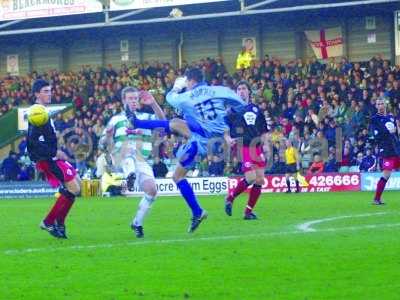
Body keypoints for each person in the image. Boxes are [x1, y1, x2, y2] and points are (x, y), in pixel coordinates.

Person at [129, 67, 245, 232]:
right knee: (177, 129)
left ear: (190, 81)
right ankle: (197, 212)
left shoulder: (188, 95)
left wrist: (176, 87)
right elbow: (242, 106)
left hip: (203, 141)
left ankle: (137, 123)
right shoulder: (220, 90)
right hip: (214, 138)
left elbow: (170, 98)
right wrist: (227, 119)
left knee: (177, 168)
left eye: (187, 82)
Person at [99, 87, 165, 238]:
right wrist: (108, 137)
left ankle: (137, 223)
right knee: (128, 150)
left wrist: (153, 103)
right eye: (130, 99)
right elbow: (103, 144)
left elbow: (163, 122)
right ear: (123, 100)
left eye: (136, 98)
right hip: (121, 158)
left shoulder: (145, 118)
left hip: (141, 160)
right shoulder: (116, 120)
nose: (134, 101)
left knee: (152, 191)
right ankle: (130, 177)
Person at [27, 79, 81, 239]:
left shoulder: (43, 111)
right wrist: (55, 152)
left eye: (50, 90)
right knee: (74, 189)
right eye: (45, 91)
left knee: (76, 184)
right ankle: (50, 221)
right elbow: (33, 142)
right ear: (37, 94)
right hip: (47, 159)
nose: (49, 93)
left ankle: (58, 223)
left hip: (52, 155)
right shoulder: (36, 113)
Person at [224, 80, 268, 220]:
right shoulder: (232, 110)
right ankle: (230, 197)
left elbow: (263, 130)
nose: (241, 91)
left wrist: (265, 144)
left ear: (249, 91)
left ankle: (248, 212)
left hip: (257, 146)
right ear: (236, 92)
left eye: (244, 88)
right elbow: (222, 127)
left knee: (260, 180)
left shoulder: (256, 109)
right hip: (242, 145)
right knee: (251, 177)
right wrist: (227, 138)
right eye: (239, 89)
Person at [369, 98, 400, 205]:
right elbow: (376, 135)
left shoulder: (391, 117)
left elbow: (396, 133)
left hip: (396, 148)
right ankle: (376, 199)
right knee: (386, 174)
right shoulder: (374, 119)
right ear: (376, 106)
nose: (380, 105)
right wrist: (387, 130)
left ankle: (377, 199)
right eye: (378, 104)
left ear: (385, 105)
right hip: (386, 149)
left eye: (382, 103)